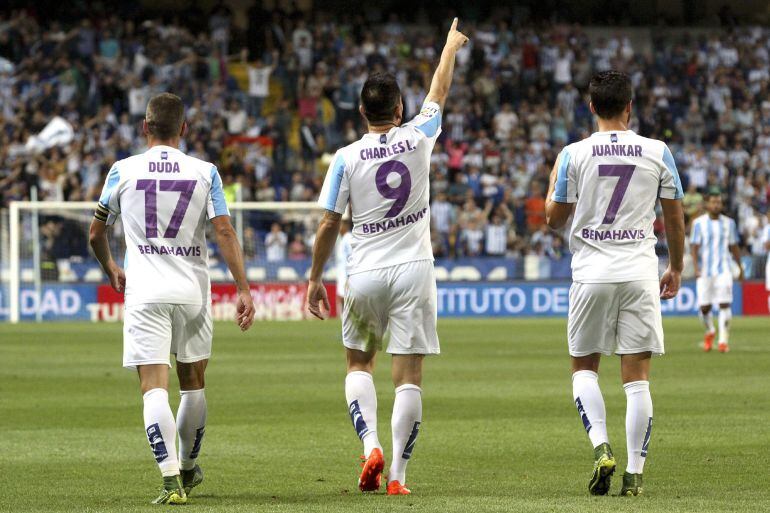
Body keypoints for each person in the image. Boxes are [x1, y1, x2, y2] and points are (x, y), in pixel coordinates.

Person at [304, 19, 468, 496]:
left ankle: (370, 445)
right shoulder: (418, 135)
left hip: (364, 271)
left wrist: (315, 278)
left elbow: (329, 223)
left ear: (361, 111)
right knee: (409, 377)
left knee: (359, 365)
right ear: (399, 108)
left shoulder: (345, 158)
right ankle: (397, 475)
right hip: (415, 270)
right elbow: (438, 90)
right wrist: (449, 46)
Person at [88, 93, 255, 504]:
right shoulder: (206, 172)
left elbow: (96, 233)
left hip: (145, 291)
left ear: (145, 128)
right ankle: (187, 467)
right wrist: (243, 288)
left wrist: (112, 268)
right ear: (184, 129)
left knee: (153, 389)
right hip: (192, 291)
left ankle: (170, 481)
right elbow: (225, 233)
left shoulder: (121, 171)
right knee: (193, 385)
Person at [545, 70, 685, 497]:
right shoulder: (657, 151)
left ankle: (600, 446)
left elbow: (554, 219)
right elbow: (675, 216)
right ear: (630, 106)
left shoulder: (574, 154)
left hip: (591, 273)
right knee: (637, 378)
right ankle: (635, 473)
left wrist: (553, 179)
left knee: (584, 368)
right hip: (639, 272)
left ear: (591, 107)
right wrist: (676, 266)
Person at [690, 189, 745, 352]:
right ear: (707, 204)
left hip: (724, 270)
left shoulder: (729, 223)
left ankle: (723, 341)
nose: (716, 205)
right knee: (704, 308)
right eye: (713, 202)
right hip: (705, 271)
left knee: (724, 304)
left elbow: (734, 246)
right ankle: (710, 331)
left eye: (719, 202)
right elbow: (694, 247)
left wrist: (740, 267)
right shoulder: (698, 223)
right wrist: (696, 268)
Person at [335, 218, 353, 313]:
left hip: (346, 272)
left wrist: (349, 275)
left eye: (341, 225)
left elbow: (351, 256)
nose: (339, 227)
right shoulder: (342, 238)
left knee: (345, 296)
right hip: (341, 271)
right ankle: (344, 316)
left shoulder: (348, 238)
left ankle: (349, 316)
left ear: (346, 226)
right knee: (342, 296)